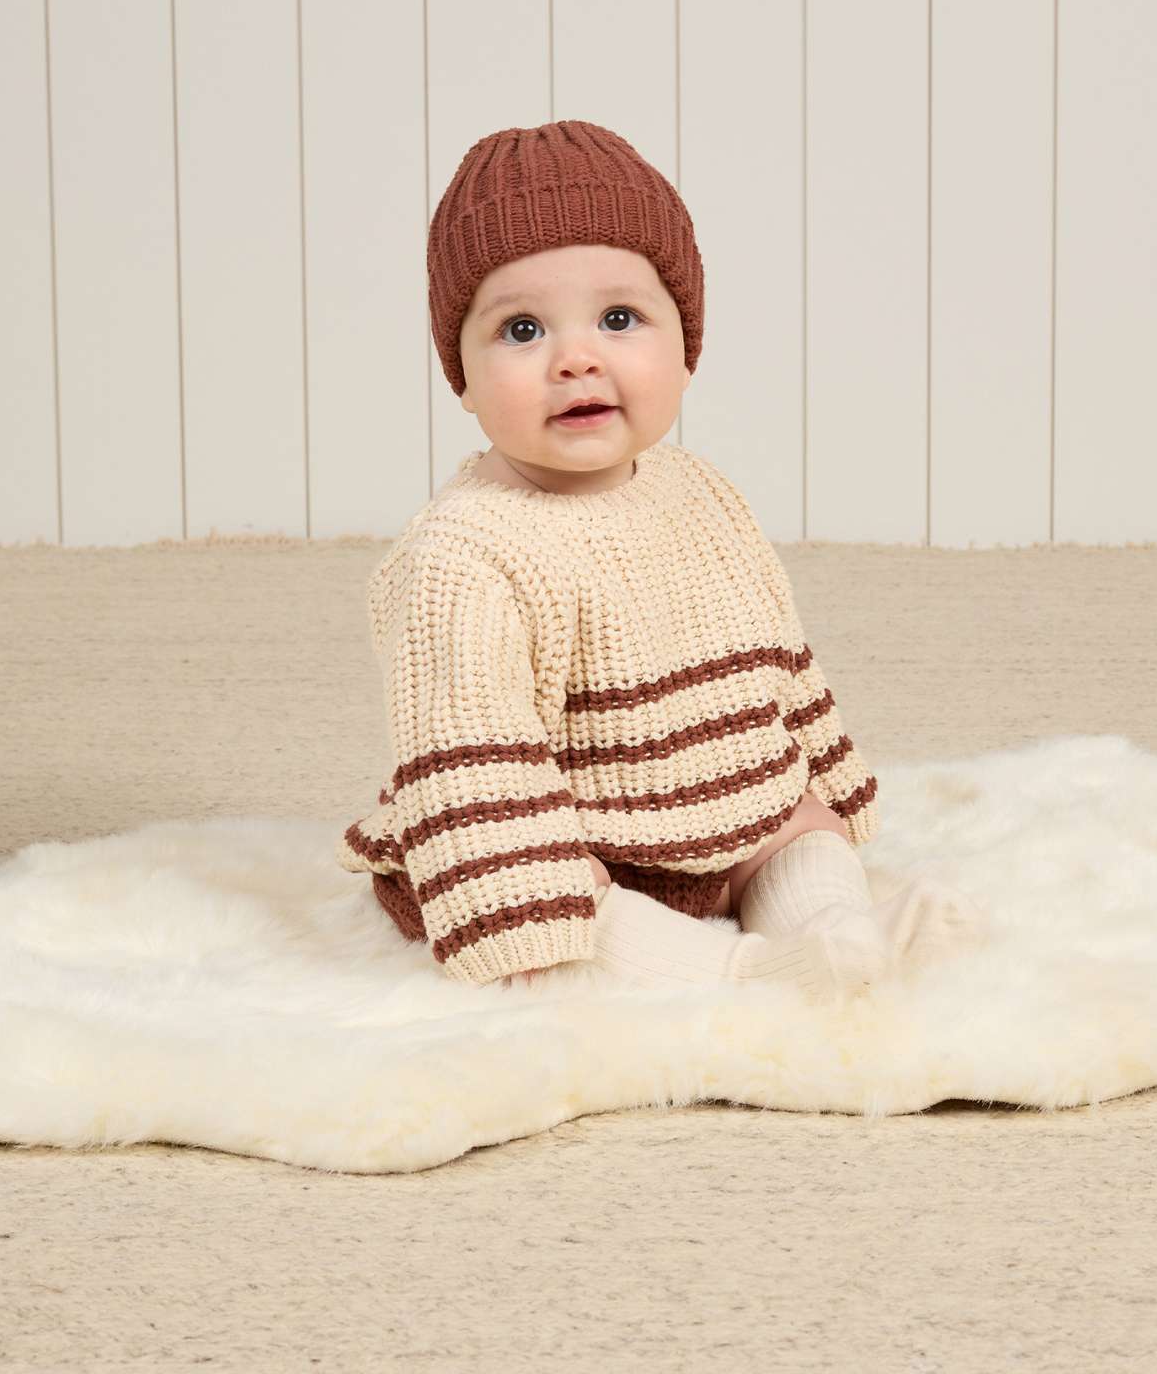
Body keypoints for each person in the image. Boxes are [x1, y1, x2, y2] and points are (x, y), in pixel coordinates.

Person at [339, 120, 979, 997]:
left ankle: (832, 932)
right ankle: (751, 980)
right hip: (558, 837)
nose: (575, 358)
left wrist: (817, 785)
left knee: (795, 822)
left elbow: (773, 669)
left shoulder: (700, 491)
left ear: (686, 344)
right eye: (521, 328)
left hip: (706, 810)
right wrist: (536, 881)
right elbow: (473, 762)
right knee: (562, 923)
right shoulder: (465, 554)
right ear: (461, 371)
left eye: (618, 318)